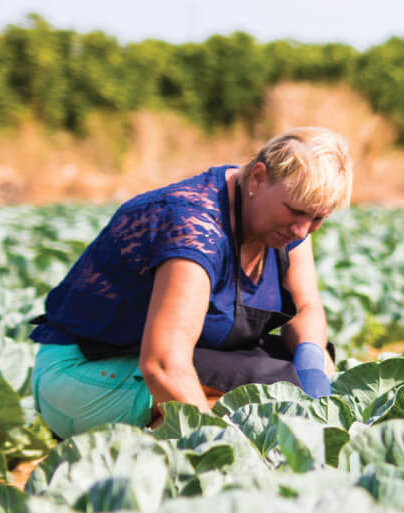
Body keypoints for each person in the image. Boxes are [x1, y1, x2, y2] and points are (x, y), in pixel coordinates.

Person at [29, 126, 351, 437]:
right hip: (82, 374)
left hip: (149, 362)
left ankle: (162, 437)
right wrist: (225, 449)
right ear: (257, 179)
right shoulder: (196, 227)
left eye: (317, 217)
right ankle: (145, 454)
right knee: (267, 408)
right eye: (295, 212)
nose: (302, 230)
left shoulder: (287, 219)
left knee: (310, 368)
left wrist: (312, 378)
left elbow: (305, 308)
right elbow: (163, 365)